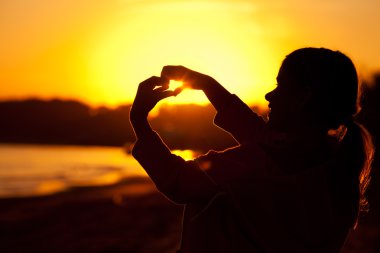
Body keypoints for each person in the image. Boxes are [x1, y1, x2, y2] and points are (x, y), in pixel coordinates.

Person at [129, 48, 374, 253]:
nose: (269, 95)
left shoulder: (261, 163)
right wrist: (206, 83)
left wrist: (139, 121)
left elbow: (179, 182)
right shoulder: (334, 167)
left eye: (280, 85)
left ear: (303, 97)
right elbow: (259, 133)